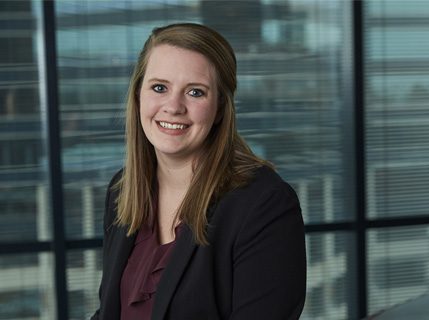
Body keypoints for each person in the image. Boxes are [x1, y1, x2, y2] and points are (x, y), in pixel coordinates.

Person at [91, 23, 306, 320]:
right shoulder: (123, 190)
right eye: (159, 87)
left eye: (195, 92)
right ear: (138, 94)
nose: (174, 106)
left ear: (220, 108)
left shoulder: (264, 204)